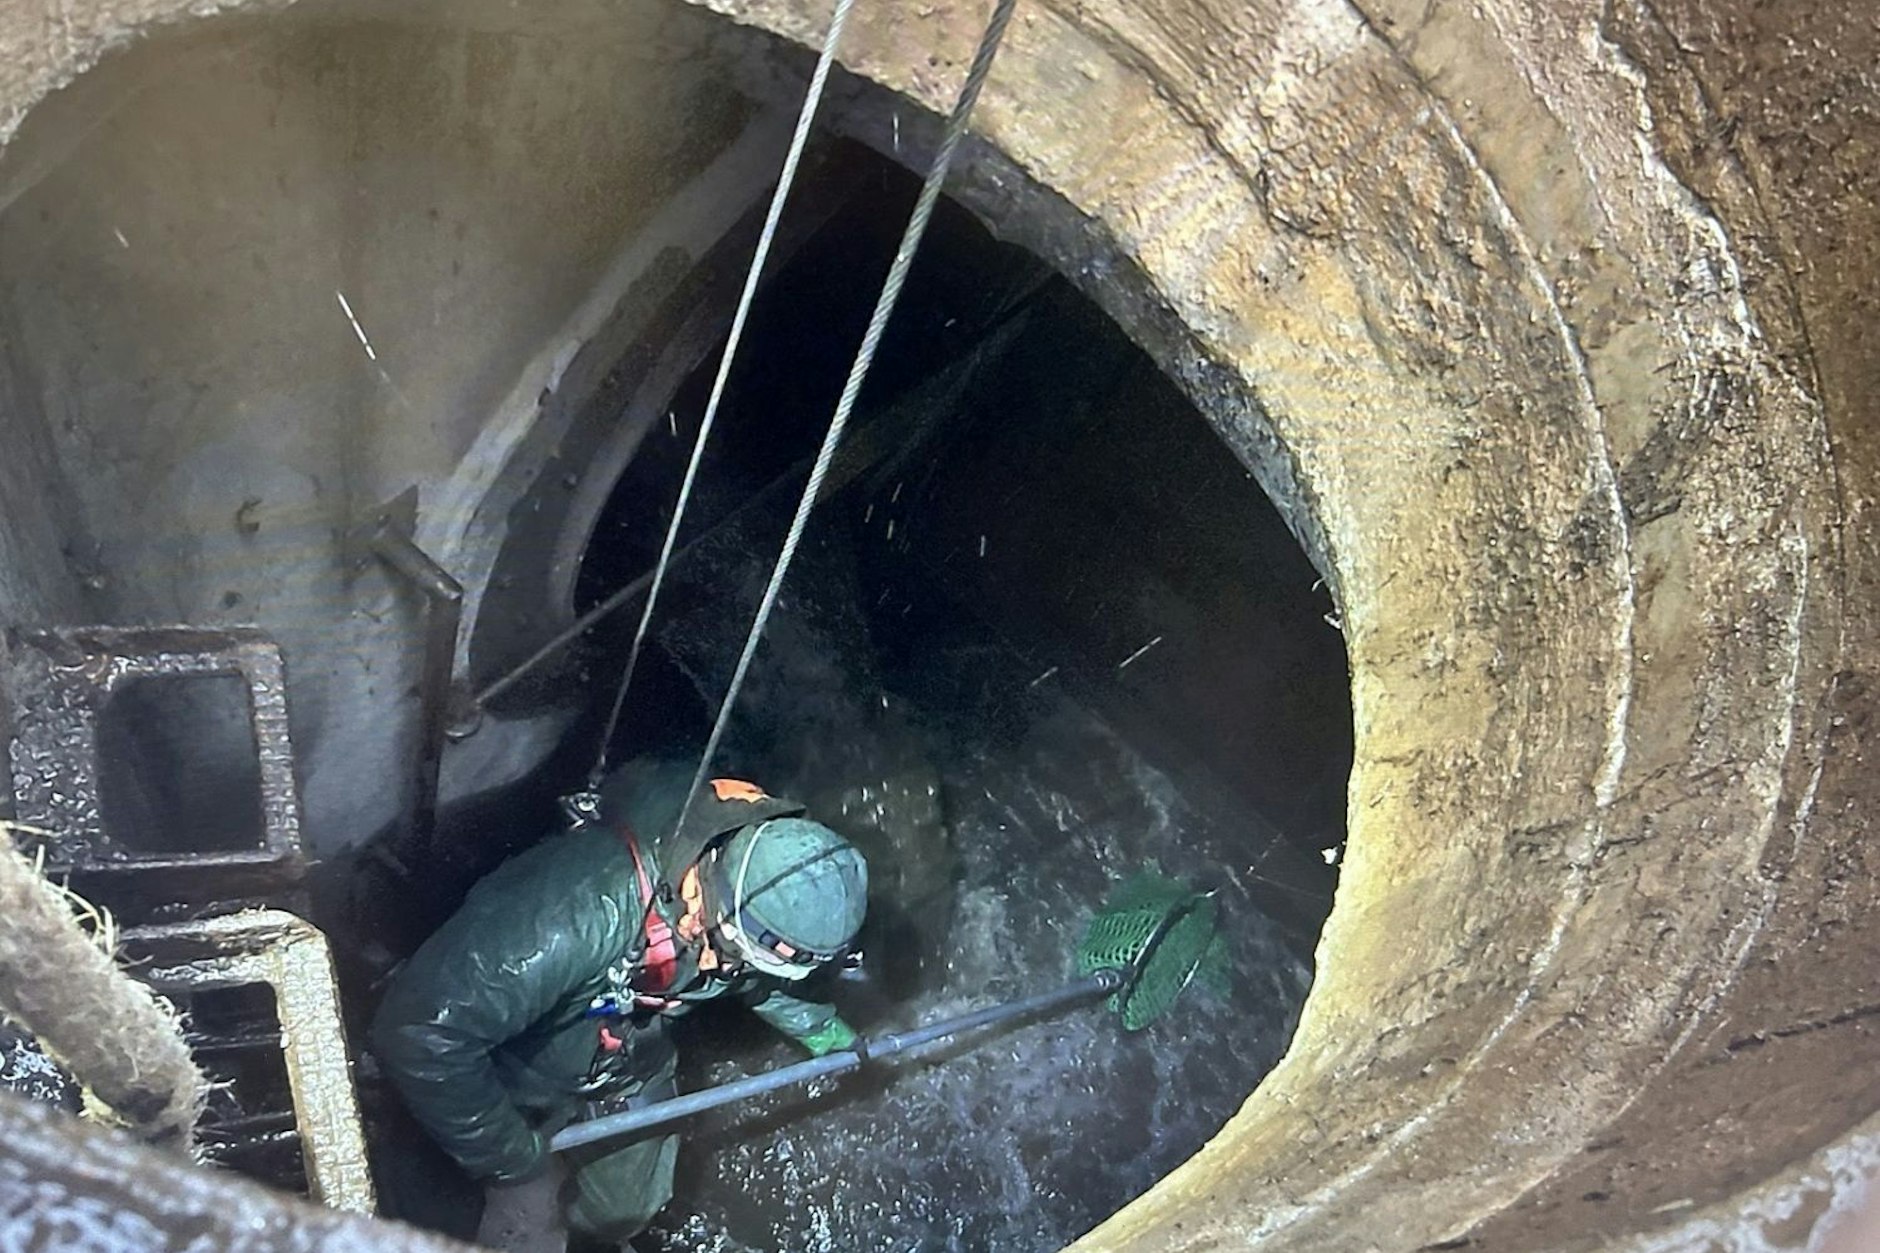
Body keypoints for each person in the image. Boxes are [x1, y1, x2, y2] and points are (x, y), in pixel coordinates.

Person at [371, 758, 867, 1249]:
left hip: (621, 1057)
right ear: (708, 910)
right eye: (737, 954)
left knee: (623, 1211)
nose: (734, 968)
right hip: (514, 1059)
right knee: (444, 1210)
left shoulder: (756, 877)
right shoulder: (575, 917)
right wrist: (517, 1169)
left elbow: (755, 974)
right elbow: (419, 1033)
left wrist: (824, 1032)